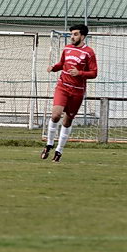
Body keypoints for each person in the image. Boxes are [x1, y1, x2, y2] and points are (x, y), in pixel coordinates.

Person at [42, 24, 98, 163]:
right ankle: (49, 144)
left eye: (75, 34)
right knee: (55, 115)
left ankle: (59, 150)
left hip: (77, 91)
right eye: (72, 34)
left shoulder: (89, 52)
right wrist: (54, 67)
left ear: (83, 36)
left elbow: (94, 73)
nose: (72, 37)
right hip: (63, 87)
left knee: (67, 121)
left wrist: (80, 73)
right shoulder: (67, 48)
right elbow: (62, 64)